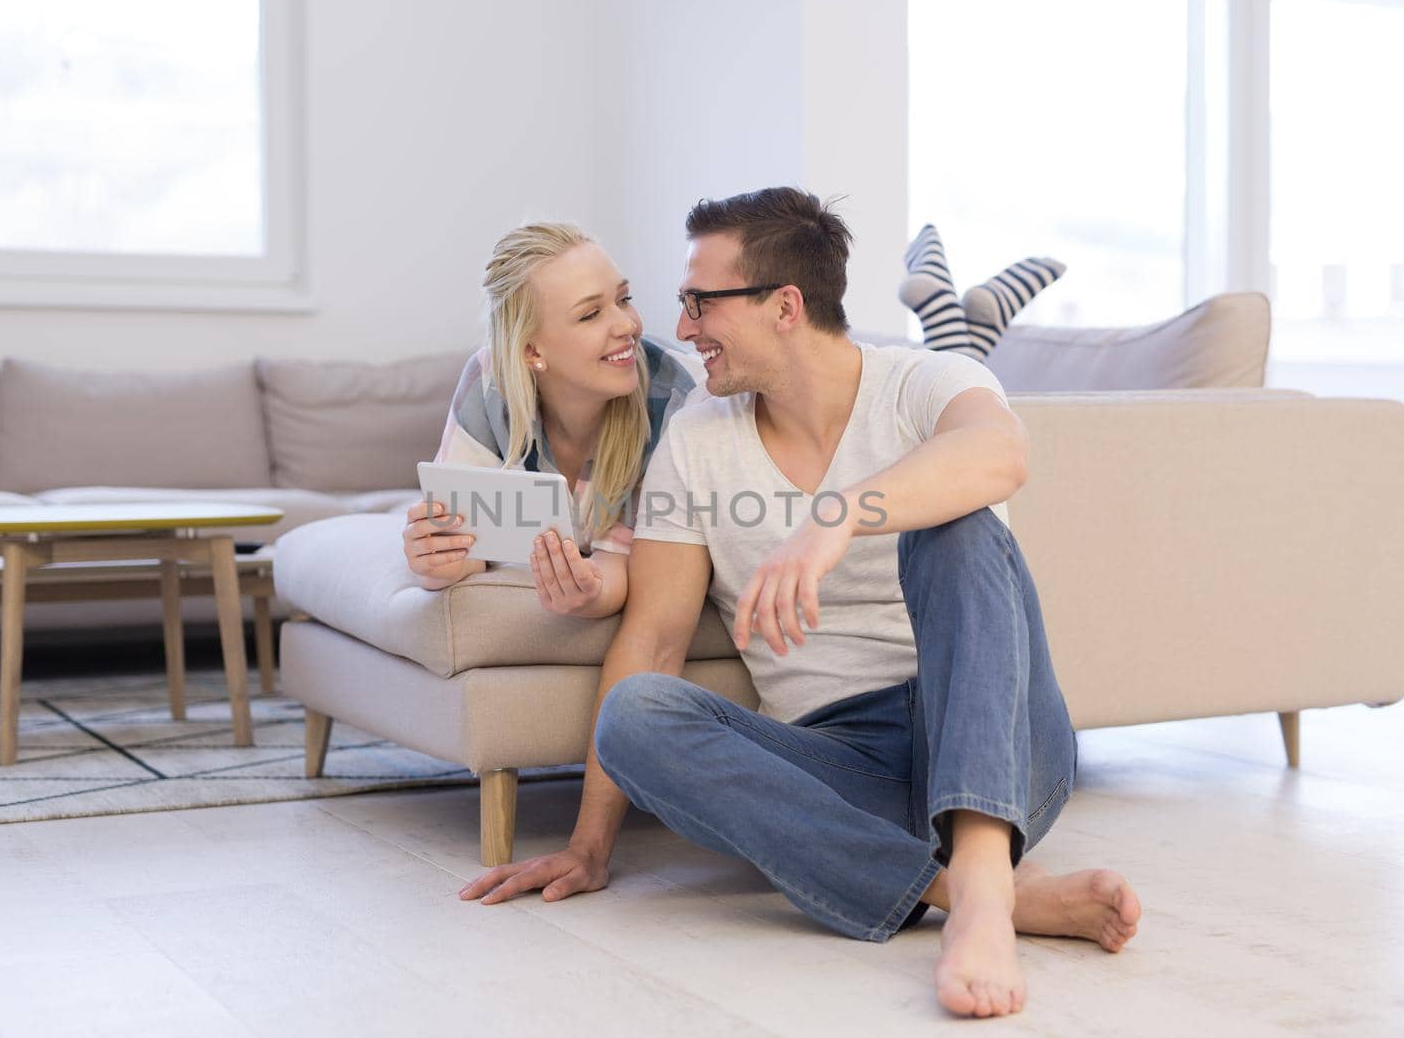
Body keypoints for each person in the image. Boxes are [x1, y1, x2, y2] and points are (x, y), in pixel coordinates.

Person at [457, 189, 1142, 1019]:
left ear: (784, 306)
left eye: (701, 302)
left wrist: (839, 513)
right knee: (632, 711)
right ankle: (964, 888)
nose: (681, 326)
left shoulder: (926, 383)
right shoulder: (698, 442)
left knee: (958, 529)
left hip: (992, 736)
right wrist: (589, 845)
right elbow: (654, 640)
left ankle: (985, 896)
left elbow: (1000, 454)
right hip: (844, 766)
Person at [402, 222, 700, 617]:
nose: (628, 325)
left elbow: (628, 568)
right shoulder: (492, 380)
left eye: (624, 299)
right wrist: (438, 559)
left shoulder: (677, 396)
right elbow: (468, 543)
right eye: (591, 314)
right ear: (530, 351)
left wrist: (590, 595)